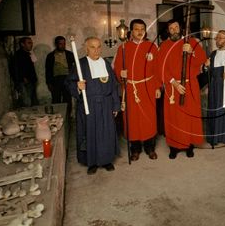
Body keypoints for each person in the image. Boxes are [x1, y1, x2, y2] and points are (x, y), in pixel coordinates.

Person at [65, 37, 120, 175]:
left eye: (99, 47)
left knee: (106, 133)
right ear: (86, 49)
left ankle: (106, 160)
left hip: (106, 105)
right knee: (90, 133)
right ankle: (92, 162)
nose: (96, 50)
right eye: (92, 47)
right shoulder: (80, 64)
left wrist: (115, 105)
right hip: (88, 105)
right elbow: (69, 83)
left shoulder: (106, 64)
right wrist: (78, 86)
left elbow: (113, 86)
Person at [157, 19, 207, 159]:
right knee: (174, 118)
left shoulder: (191, 42)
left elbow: (202, 59)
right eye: (171, 28)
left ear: (181, 29)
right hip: (172, 87)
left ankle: (189, 145)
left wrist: (192, 52)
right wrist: (174, 83)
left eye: (176, 27)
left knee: (189, 116)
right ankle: (174, 147)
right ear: (168, 31)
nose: (174, 30)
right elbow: (161, 67)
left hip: (190, 85)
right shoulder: (164, 46)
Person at [113, 19, 161, 161]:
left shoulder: (152, 47)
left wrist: (158, 86)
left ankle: (150, 147)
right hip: (131, 88)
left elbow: (158, 69)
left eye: (142, 29)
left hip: (148, 87)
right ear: (131, 31)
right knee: (132, 120)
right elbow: (117, 67)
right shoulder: (123, 48)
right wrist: (120, 73)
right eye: (136, 29)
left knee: (149, 118)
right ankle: (135, 149)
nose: (140, 32)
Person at [45, 36, 75, 113]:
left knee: (67, 99)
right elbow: (48, 70)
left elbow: (74, 68)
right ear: (56, 44)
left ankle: (68, 117)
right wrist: (48, 83)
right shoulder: (51, 56)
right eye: (60, 44)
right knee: (56, 99)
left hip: (67, 79)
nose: (63, 45)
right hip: (56, 80)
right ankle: (57, 117)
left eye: (64, 44)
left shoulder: (69, 54)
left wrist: (73, 80)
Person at [12, 36, 38, 107]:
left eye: (31, 43)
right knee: (27, 102)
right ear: (22, 44)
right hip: (24, 82)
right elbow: (15, 69)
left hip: (31, 81)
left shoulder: (28, 54)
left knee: (33, 102)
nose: (31, 44)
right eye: (29, 43)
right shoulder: (19, 55)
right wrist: (23, 78)